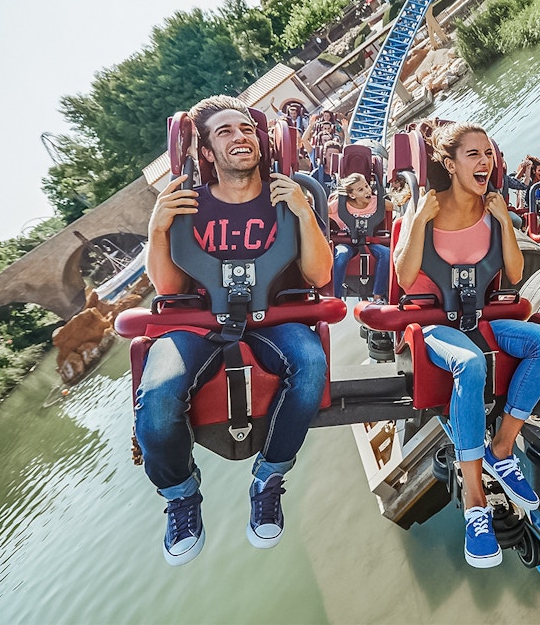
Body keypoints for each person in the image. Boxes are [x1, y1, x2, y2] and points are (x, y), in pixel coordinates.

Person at [139, 95, 333, 566]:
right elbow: (169, 288)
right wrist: (157, 229)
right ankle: (181, 495)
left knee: (310, 362)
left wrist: (304, 212)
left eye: (246, 129)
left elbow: (320, 274)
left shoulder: (287, 195)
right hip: (201, 323)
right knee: (158, 391)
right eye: (224, 132)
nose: (240, 137)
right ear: (207, 152)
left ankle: (270, 477)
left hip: (271, 319)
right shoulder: (189, 204)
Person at [393, 122, 540, 568]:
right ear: (449, 165)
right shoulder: (424, 211)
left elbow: (515, 274)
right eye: (473, 154)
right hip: (436, 326)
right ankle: (474, 502)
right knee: (469, 363)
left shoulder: (493, 211)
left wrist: (505, 221)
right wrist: (419, 220)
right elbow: (405, 279)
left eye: (488, 153)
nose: (485, 161)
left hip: (481, 318)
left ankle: (501, 448)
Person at [329, 173, 391, 302]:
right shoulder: (340, 205)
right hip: (347, 242)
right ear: (352, 195)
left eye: (367, 186)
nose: (367, 191)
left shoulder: (376, 202)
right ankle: (335, 297)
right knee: (341, 254)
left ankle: (378, 295)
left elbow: (397, 205)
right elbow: (321, 210)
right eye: (361, 190)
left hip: (370, 242)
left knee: (386, 253)